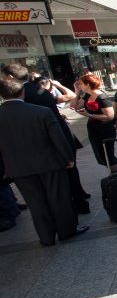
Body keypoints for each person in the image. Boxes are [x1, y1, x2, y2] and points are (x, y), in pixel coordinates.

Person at [0, 73, 86, 246]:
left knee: (35, 203)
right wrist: (68, 158)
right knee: (58, 198)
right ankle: (66, 230)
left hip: (19, 168)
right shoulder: (41, 112)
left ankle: (46, 237)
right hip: (49, 164)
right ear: (22, 93)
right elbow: (58, 139)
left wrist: (5, 168)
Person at [70, 73, 117, 174]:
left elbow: (110, 116)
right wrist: (77, 92)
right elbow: (74, 106)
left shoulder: (101, 97)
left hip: (105, 130)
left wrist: (89, 115)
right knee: (101, 155)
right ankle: (115, 175)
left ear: (88, 84)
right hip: (94, 130)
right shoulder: (88, 95)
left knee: (108, 154)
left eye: (81, 84)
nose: (80, 85)